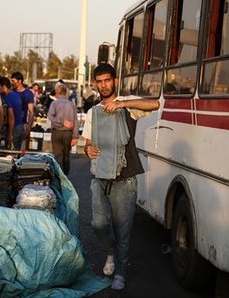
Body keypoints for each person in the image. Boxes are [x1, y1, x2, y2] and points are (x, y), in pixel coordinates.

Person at [82, 63, 160, 290]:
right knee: (98, 224)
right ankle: (109, 253)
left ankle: (121, 272)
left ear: (115, 81)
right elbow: (87, 143)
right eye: (100, 81)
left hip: (125, 179)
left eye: (108, 80)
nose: (104, 85)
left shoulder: (128, 105)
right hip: (100, 177)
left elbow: (154, 104)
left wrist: (122, 104)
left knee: (123, 229)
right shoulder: (92, 113)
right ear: (95, 84)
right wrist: (88, 150)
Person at [47, 82, 79, 175]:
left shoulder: (54, 103)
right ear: (65, 93)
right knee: (66, 156)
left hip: (57, 132)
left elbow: (50, 117)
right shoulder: (71, 104)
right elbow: (76, 121)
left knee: (58, 156)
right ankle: (65, 176)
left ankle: (59, 176)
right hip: (68, 133)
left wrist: (60, 121)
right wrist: (75, 136)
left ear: (57, 92)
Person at [10, 71, 34, 150]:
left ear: (19, 81)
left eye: (13, 81)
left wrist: (29, 127)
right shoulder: (11, 93)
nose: (12, 83)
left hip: (23, 125)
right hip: (13, 126)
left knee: (22, 151)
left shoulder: (28, 93)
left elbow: (31, 112)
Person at [0, 77, 23, 150]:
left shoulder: (7, 97)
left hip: (13, 128)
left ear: (4, 87)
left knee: (10, 153)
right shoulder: (17, 95)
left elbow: (11, 117)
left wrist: (10, 134)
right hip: (20, 127)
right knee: (17, 152)